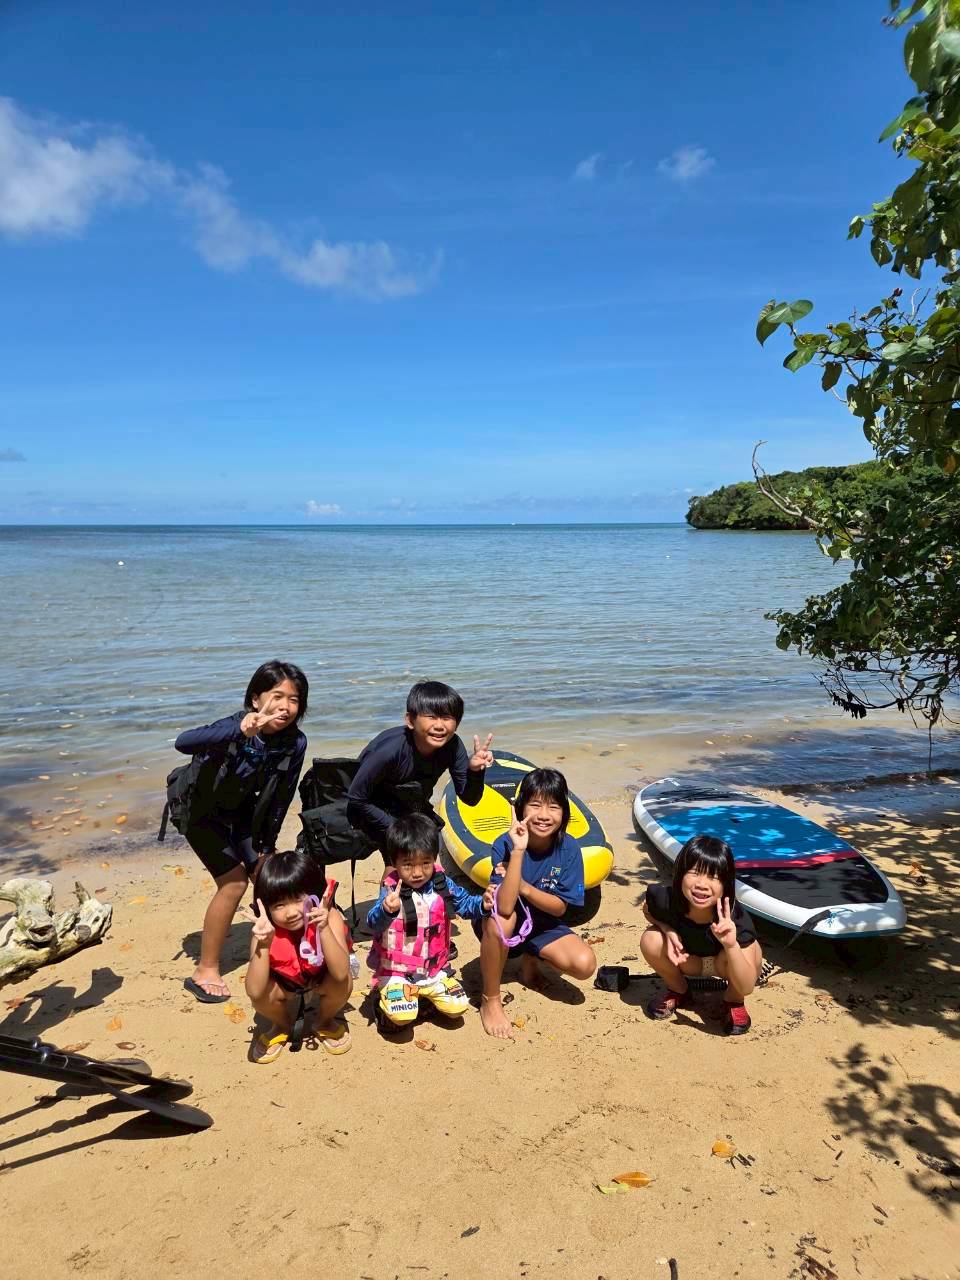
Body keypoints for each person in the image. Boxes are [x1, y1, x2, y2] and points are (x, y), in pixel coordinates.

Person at [172, 660, 308, 1003]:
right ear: (255, 699)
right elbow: (183, 742)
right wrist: (239, 732)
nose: (286, 706)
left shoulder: (294, 742)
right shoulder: (232, 726)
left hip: (244, 816)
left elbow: (281, 796)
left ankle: (279, 957)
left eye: (294, 700)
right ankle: (205, 969)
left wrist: (266, 846)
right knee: (233, 883)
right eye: (277, 696)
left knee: (270, 874)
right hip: (200, 813)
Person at [477, 768, 597, 1040]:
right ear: (520, 809)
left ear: (564, 813)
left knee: (585, 964)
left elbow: (560, 908)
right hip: (504, 925)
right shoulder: (505, 844)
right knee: (501, 921)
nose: (544, 815)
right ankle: (490, 999)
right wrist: (518, 850)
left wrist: (523, 886)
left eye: (553, 807)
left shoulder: (569, 849)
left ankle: (529, 962)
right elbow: (504, 908)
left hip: (544, 924)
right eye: (535, 805)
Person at [366, 813, 493, 1027]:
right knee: (402, 1017)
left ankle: (423, 996)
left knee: (458, 1007)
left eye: (426, 863)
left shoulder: (442, 884)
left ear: (434, 858)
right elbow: (373, 923)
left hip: (434, 970)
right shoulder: (390, 890)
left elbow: (465, 904)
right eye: (407, 865)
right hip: (398, 971)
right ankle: (383, 1000)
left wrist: (483, 904)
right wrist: (387, 909)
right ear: (395, 862)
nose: (418, 873)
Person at [346, 680, 494, 862]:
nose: (440, 725)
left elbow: (470, 799)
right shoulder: (389, 751)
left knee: (419, 859)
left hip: (408, 804)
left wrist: (475, 771)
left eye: (447, 718)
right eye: (431, 717)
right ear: (410, 720)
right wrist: (399, 829)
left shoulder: (452, 745)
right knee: (403, 861)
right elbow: (356, 797)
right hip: (372, 807)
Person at [640, 834, 762, 1035]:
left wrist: (731, 945)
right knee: (650, 939)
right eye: (695, 873)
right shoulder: (666, 899)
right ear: (680, 873)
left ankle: (733, 1000)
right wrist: (667, 929)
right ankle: (679, 989)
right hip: (689, 960)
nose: (702, 884)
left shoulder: (736, 918)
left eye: (713, 877)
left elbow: (748, 985)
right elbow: (648, 912)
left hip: (724, 964)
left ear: (726, 884)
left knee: (751, 950)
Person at [242, 848, 353, 1064]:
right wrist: (263, 944)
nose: (291, 912)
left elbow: (340, 972)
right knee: (261, 995)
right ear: (265, 906)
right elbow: (254, 991)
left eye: (297, 899)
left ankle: (323, 1021)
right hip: (285, 982)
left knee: (344, 982)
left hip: (321, 976)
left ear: (313, 894)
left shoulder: (328, 917)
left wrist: (323, 929)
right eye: (279, 905)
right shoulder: (264, 930)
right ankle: (283, 1024)